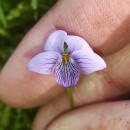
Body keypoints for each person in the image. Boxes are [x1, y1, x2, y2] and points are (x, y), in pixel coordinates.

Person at [0, 0, 130, 129]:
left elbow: (95, 62)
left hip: (69, 56)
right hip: (66, 57)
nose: (65, 58)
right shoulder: (66, 55)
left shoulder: (74, 54)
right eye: (64, 57)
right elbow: (36, 63)